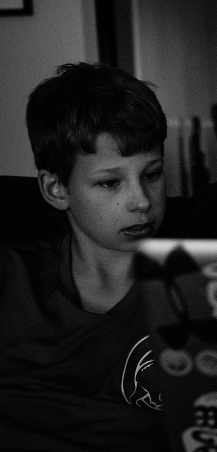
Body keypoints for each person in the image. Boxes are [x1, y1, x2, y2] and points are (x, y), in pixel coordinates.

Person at [0, 63, 169, 450]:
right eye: (110, 182)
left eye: (153, 174)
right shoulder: (11, 279)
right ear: (56, 190)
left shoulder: (202, 289)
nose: (141, 201)